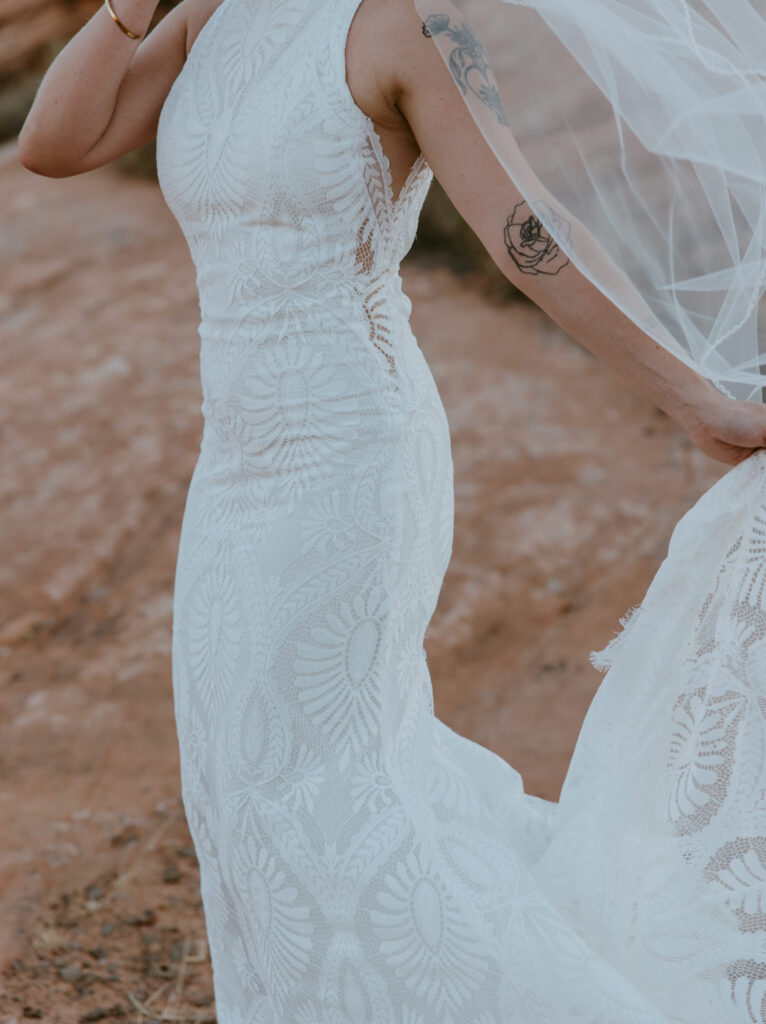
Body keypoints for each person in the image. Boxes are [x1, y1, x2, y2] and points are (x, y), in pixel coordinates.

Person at [17, 0, 766, 1020]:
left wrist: (687, 395)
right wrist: (123, 11)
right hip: (235, 457)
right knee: (240, 778)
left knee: (319, 781)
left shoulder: (399, 26)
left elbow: (522, 230)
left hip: (349, 447)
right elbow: (54, 144)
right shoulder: (206, 19)